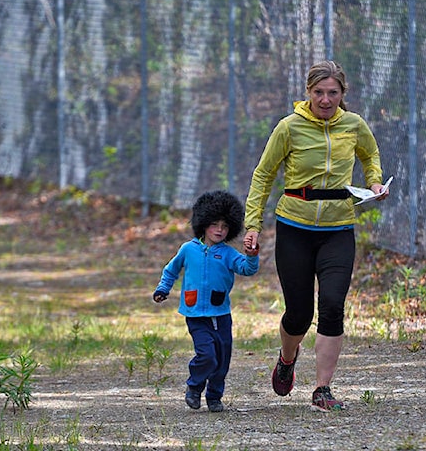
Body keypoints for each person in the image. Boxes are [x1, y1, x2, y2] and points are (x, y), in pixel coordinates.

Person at [244, 60, 388, 412]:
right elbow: (263, 175)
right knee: (298, 313)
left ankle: (323, 388)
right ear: (308, 92)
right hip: (294, 226)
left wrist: (374, 182)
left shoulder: (354, 125)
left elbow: (370, 156)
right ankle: (287, 357)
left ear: (343, 94)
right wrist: (252, 225)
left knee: (333, 305)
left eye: (333, 93)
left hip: (338, 228)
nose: (326, 100)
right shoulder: (289, 128)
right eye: (319, 92)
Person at [153, 190, 260, 413]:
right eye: (214, 224)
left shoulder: (229, 254)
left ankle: (214, 397)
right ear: (203, 224)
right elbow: (170, 270)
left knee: (222, 360)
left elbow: (247, 269)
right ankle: (194, 387)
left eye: (224, 226)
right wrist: (163, 288)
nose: (219, 230)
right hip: (195, 315)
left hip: (221, 315)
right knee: (207, 355)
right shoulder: (188, 249)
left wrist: (251, 254)